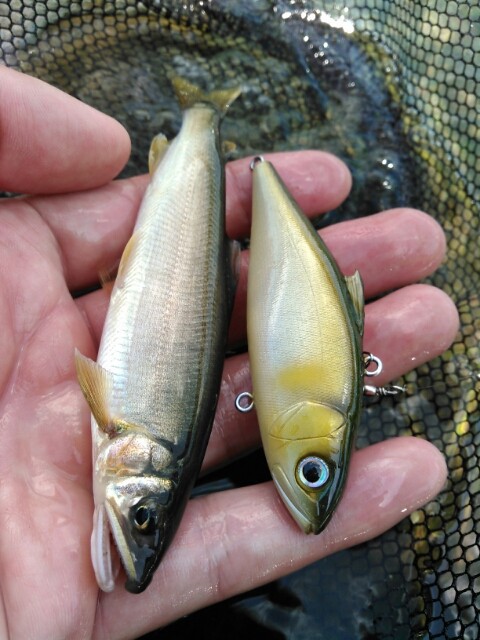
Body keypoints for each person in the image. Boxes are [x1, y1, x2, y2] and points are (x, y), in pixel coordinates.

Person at [0, 66, 458, 639]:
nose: (135, 529)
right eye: (143, 518)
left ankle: (201, 120)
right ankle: (204, 119)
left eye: (144, 519)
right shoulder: (121, 434)